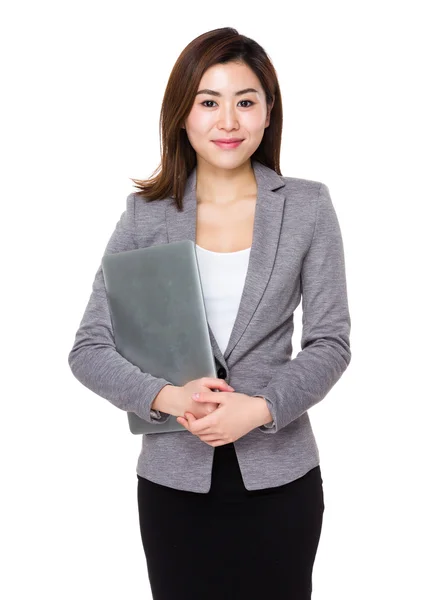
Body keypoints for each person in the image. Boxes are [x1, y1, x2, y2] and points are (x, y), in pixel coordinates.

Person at [68, 27, 352, 600]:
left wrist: (261, 409)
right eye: (208, 102)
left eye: (246, 101)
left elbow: (330, 342)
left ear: (268, 113)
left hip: (281, 478)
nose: (229, 121)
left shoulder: (306, 206)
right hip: (174, 483)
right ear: (182, 114)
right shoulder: (146, 216)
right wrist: (168, 400)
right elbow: (88, 349)